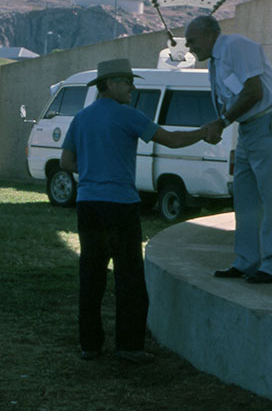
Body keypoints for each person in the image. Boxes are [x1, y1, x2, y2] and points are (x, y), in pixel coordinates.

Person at [60, 58, 210, 363]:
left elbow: (65, 162)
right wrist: (203, 131)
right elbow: (171, 140)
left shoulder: (81, 118)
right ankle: (129, 347)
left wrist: (91, 172)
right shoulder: (128, 116)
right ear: (111, 84)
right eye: (127, 82)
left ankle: (90, 345)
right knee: (129, 277)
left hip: (88, 205)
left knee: (91, 275)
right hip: (120, 206)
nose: (132, 87)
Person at [185, 15, 272, 284]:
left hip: (268, 120)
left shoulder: (236, 46)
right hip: (248, 127)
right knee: (244, 196)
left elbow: (254, 91)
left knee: (270, 198)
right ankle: (246, 261)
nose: (190, 48)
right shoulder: (216, 60)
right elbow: (233, 96)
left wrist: (222, 122)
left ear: (210, 34)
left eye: (192, 41)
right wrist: (222, 122)